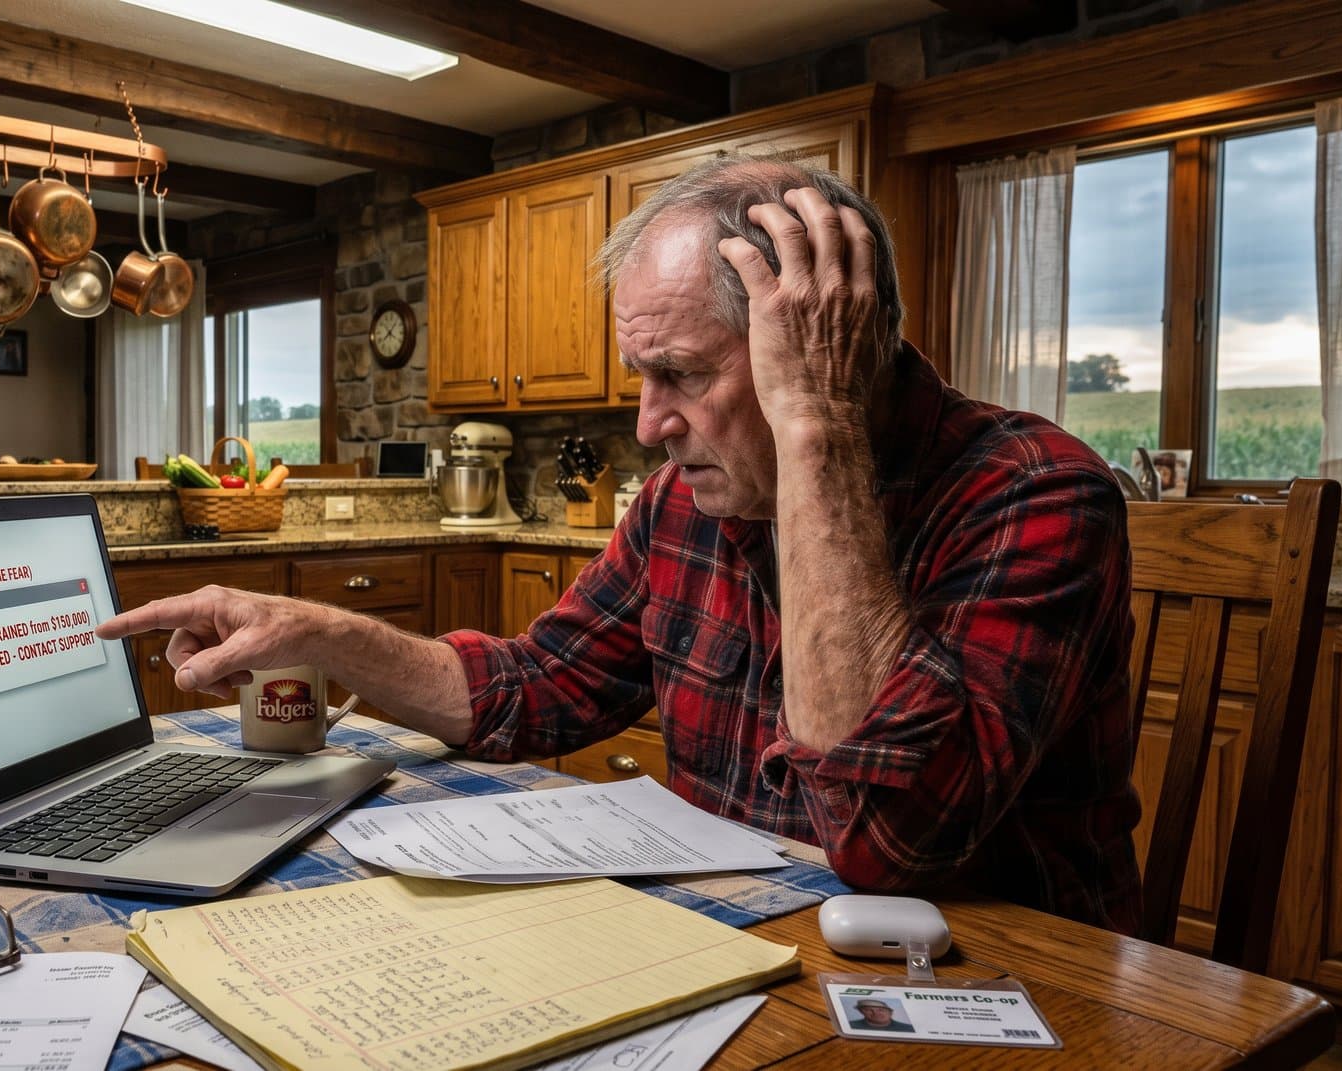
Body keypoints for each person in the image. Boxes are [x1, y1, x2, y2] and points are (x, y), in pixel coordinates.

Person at [95, 155, 1143, 933]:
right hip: (743, 930)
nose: (647, 426)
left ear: (829, 349)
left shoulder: (1034, 493)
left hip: (998, 977)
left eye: (680, 374)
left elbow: (886, 839)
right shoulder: (683, 502)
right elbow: (535, 687)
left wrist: (819, 430)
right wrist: (315, 634)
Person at [848, 998, 915, 1033]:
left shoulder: (908, 1028)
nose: (876, 1013)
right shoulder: (850, 1025)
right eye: (869, 1010)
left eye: (881, 1010)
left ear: (890, 1012)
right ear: (861, 1012)